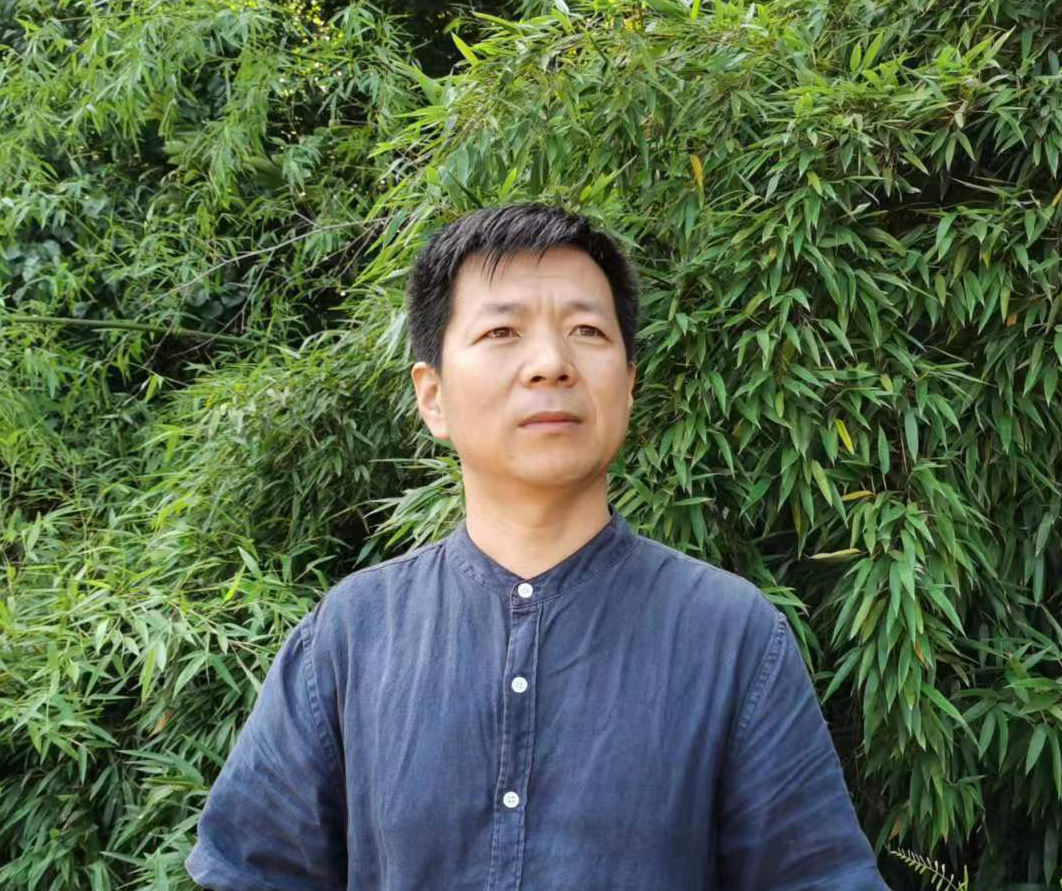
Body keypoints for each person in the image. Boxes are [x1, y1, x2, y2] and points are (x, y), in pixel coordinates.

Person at [184, 202, 891, 890]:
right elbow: (256, 869)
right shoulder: (351, 634)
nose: (551, 363)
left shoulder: (732, 636)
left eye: (587, 330)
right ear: (432, 396)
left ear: (629, 385)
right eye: (502, 332)